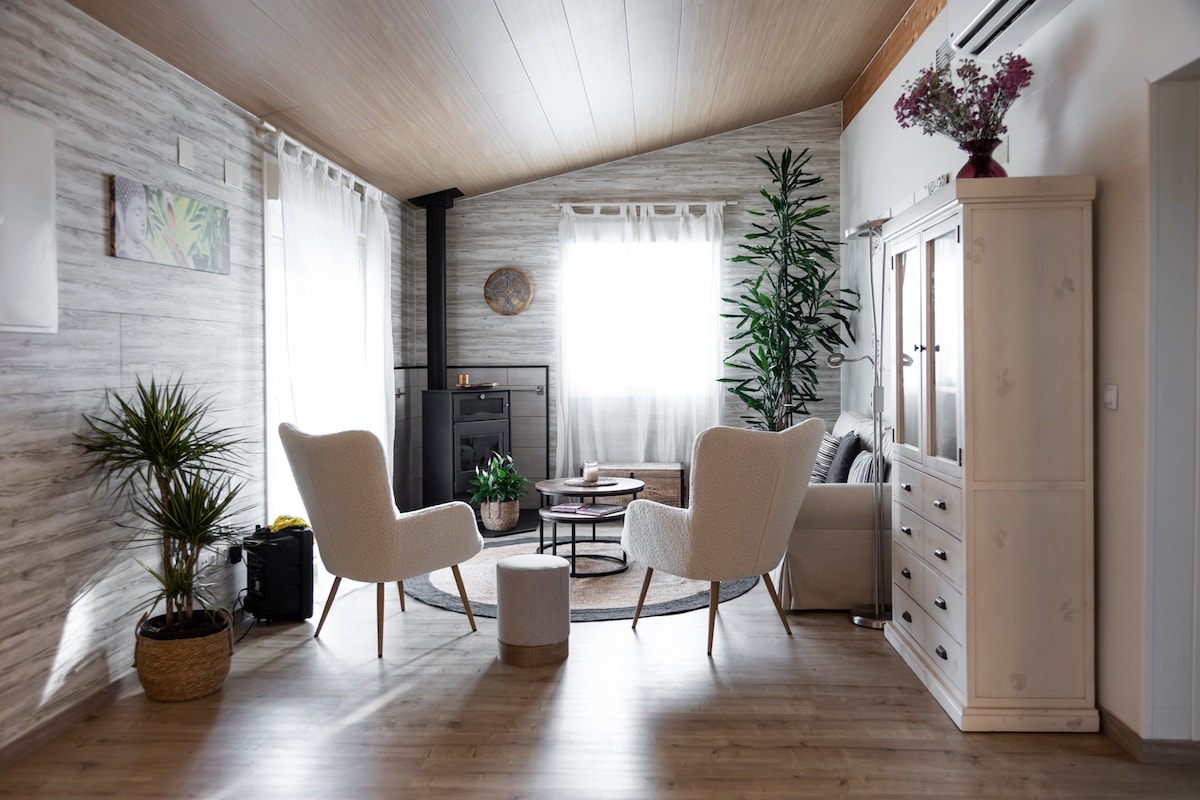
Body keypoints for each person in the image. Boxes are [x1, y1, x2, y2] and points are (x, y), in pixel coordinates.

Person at [113, 176, 156, 262]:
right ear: (121, 214)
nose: (144, 222)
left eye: (145, 215)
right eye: (137, 213)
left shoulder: (150, 254)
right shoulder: (120, 253)